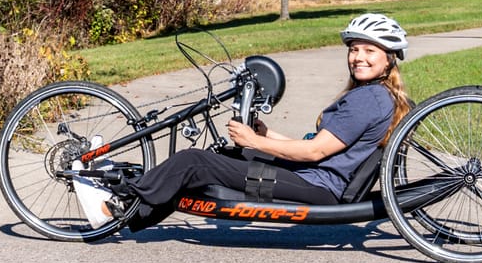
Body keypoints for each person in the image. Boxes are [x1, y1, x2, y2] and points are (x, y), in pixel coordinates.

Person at [103, 12, 414, 233]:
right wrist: (267, 135)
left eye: (370, 51)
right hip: (316, 178)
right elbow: (321, 148)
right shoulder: (376, 95)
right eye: (354, 49)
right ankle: (135, 215)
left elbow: (315, 153)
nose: (358, 57)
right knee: (227, 156)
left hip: (318, 186)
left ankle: (116, 205)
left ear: (389, 58)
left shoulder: (366, 99)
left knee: (193, 162)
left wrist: (254, 140)